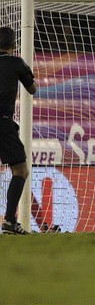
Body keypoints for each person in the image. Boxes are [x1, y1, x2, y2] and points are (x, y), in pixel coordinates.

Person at [0, 27, 37, 235]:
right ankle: (9, 221)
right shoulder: (16, 63)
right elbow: (32, 89)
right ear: (13, 46)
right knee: (20, 170)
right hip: (2, 123)